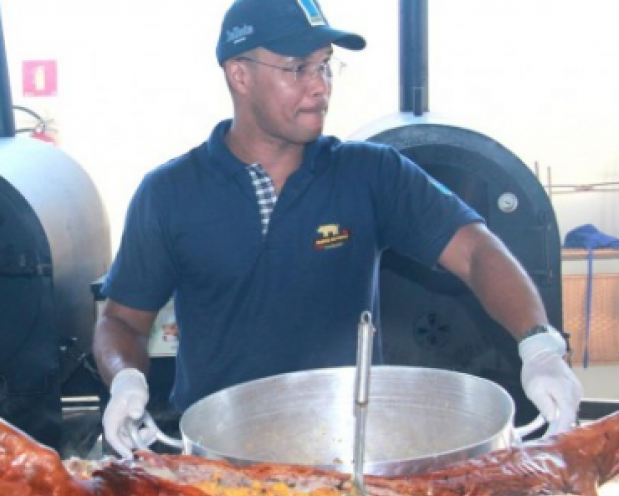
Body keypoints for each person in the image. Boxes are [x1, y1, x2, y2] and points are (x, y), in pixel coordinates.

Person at [93, 0, 583, 458]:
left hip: (354, 455)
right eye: (297, 68)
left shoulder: (371, 174)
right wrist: (125, 380)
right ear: (239, 75)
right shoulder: (169, 193)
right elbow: (122, 322)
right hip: (219, 460)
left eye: (325, 65)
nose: (320, 85)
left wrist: (539, 346)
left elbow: (477, 253)